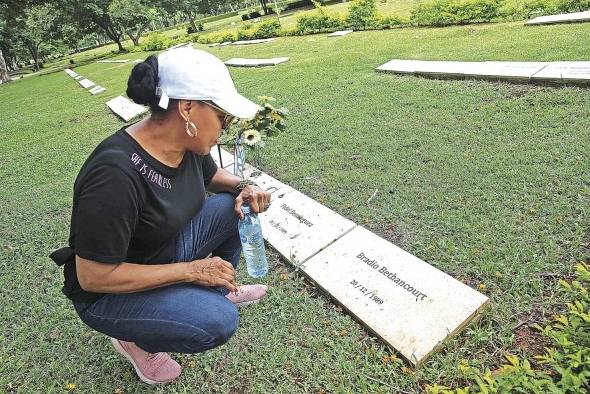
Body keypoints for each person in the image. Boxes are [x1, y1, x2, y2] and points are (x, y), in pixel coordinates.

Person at [50, 47, 272, 384]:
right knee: (216, 321)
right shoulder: (114, 174)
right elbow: (93, 277)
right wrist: (191, 271)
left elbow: (212, 178)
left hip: (159, 252)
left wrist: (246, 185)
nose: (226, 127)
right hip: (109, 293)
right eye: (223, 117)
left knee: (232, 206)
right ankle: (135, 341)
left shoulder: (185, 143)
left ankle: (219, 286)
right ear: (187, 108)